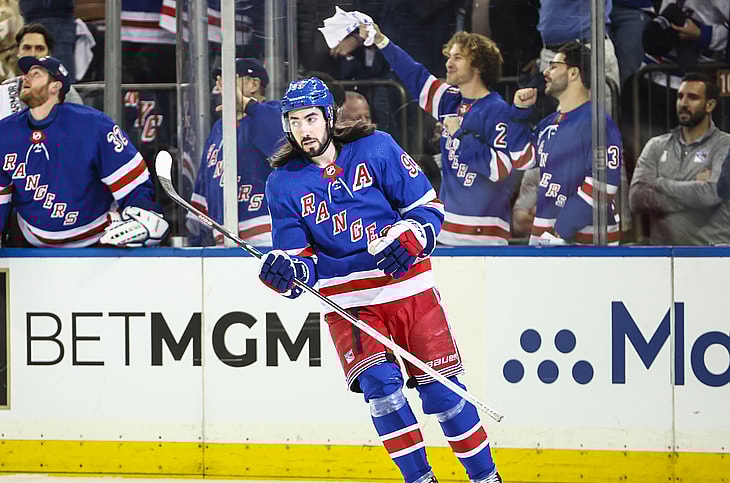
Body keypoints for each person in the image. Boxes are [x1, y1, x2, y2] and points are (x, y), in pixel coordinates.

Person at [258, 77, 502, 483]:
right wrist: (285, 275)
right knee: (383, 392)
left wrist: (413, 236)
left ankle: (486, 478)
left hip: (411, 294)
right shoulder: (282, 182)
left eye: (312, 118)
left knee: (444, 395)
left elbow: (428, 208)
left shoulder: (376, 148)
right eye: (296, 121)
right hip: (353, 309)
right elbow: (302, 265)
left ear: (329, 117)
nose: (305, 130)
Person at [0, 56, 168, 300]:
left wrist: (142, 213)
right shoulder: (1, 136)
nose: (24, 77)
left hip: (98, 246)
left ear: (55, 86)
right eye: (25, 73)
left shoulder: (93, 126)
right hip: (31, 250)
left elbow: (133, 185)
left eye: (35, 73)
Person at [361, 25, 516, 245]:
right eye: (449, 56)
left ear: (479, 65)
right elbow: (414, 73)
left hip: (484, 232)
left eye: (458, 57)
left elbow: (501, 169)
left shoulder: (496, 108)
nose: (448, 63)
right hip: (446, 228)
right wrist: (381, 40)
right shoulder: (450, 100)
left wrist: (460, 135)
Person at [508, 41, 623, 245]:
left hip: (584, 247)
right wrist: (519, 114)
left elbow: (603, 186)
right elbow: (521, 159)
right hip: (548, 239)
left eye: (554, 66)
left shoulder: (598, 124)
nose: (546, 72)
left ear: (573, 73)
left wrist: (560, 230)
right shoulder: (549, 123)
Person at [188, 58, 284, 246]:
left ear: (253, 84)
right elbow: (204, 185)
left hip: (267, 230)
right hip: (223, 235)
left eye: (230, 79)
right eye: (220, 81)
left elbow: (283, 140)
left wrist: (248, 106)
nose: (221, 87)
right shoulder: (219, 128)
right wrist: (198, 239)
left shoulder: (275, 112)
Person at [630, 72, 730, 245]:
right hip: (663, 256)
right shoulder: (656, 145)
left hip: (712, 255)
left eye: (692, 98)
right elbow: (636, 198)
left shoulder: (724, 145)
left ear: (710, 105)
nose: (683, 103)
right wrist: (692, 194)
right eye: (680, 96)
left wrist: (660, 183)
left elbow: (711, 194)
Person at [0, 23, 84, 128]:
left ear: (49, 53)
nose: (33, 54)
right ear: (17, 52)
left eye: (39, 48)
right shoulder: (6, 89)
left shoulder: (63, 89)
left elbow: (79, 127)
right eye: (27, 48)